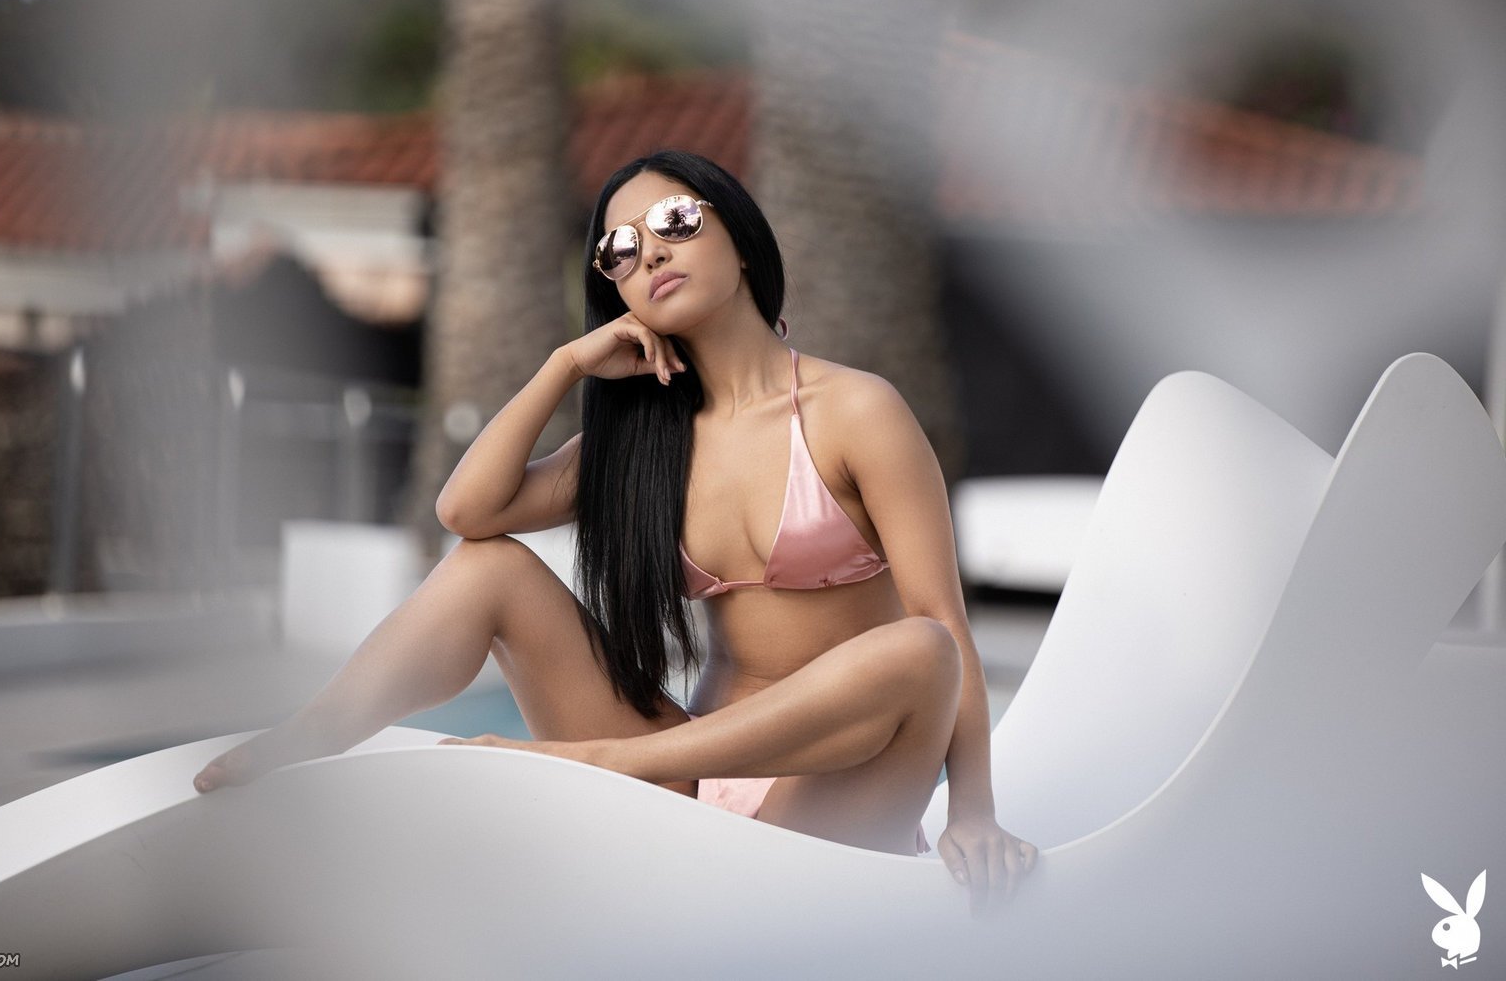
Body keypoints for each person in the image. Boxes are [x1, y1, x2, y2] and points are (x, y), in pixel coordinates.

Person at [192, 149, 1037, 911]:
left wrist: (973, 812)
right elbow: (466, 513)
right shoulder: (644, 442)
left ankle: (587, 764)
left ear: (741, 239)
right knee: (489, 567)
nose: (652, 252)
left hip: (836, 793)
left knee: (919, 648)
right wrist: (563, 364)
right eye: (620, 250)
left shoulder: (857, 410)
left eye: (674, 221)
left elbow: (945, 625)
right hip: (687, 778)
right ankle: (309, 739)